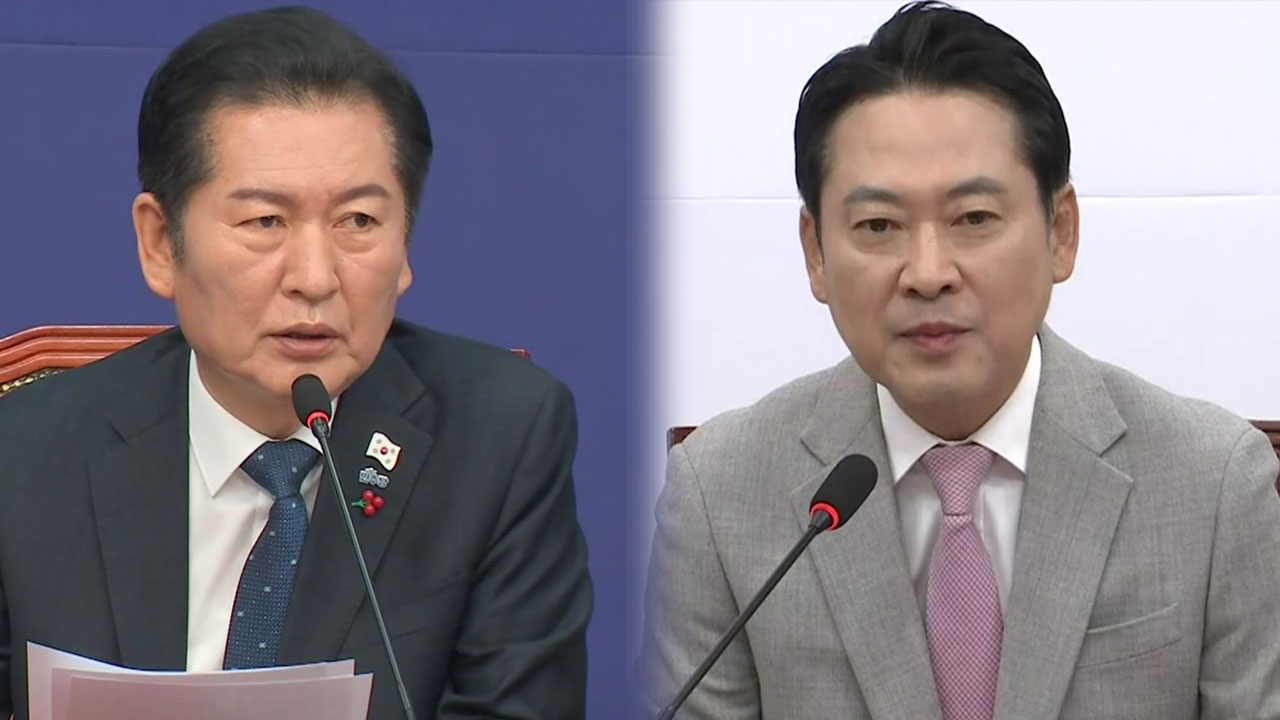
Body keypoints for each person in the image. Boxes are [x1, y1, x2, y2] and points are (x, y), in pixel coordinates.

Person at [639, 2, 1280, 718]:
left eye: (974, 218)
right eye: (878, 225)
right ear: (816, 254)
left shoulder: (1213, 486)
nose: (927, 273)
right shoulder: (721, 495)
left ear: (1061, 232)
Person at [0, 7, 591, 719]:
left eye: (359, 221)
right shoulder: (24, 455)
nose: (315, 277)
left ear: (405, 246)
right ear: (160, 244)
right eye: (265, 221)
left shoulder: (499, 441)